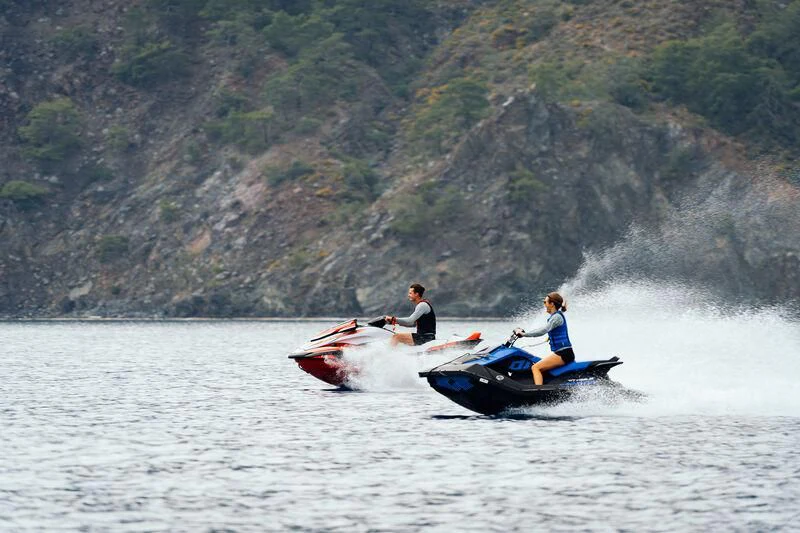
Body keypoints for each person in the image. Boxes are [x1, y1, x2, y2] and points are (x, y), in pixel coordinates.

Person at [513, 292, 574, 386]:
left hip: (564, 353)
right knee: (537, 364)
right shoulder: (555, 316)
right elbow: (549, 330)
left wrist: (524, 334)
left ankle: (538, 391)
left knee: (535, 368)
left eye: (545, 302)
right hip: (562, 352)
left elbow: (543, 330)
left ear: (552, 304)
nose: (544, 304)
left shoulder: (557, 317)